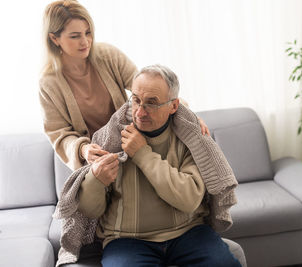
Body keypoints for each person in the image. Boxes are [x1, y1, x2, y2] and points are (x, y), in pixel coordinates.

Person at [60, 64, 240, 266]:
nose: (140, 112)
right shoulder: (109, 138)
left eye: (151, 103)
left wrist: (142, 154)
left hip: (189, 233)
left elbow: (188, 200)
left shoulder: (191, 138)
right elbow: (91, 212)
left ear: (173, 106)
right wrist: (95, 180)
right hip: (126, 240)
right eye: (136, 100)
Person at [39, 0, 209, 171]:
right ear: (54, 38)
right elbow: (59, 134)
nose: (85, 42)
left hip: (129, 142)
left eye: (88, 33)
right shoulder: (48, 83)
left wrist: (188, 115)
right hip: (96, 161)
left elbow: (146, 88)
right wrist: (84, 149)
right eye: (75, 36)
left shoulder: (108, 55)